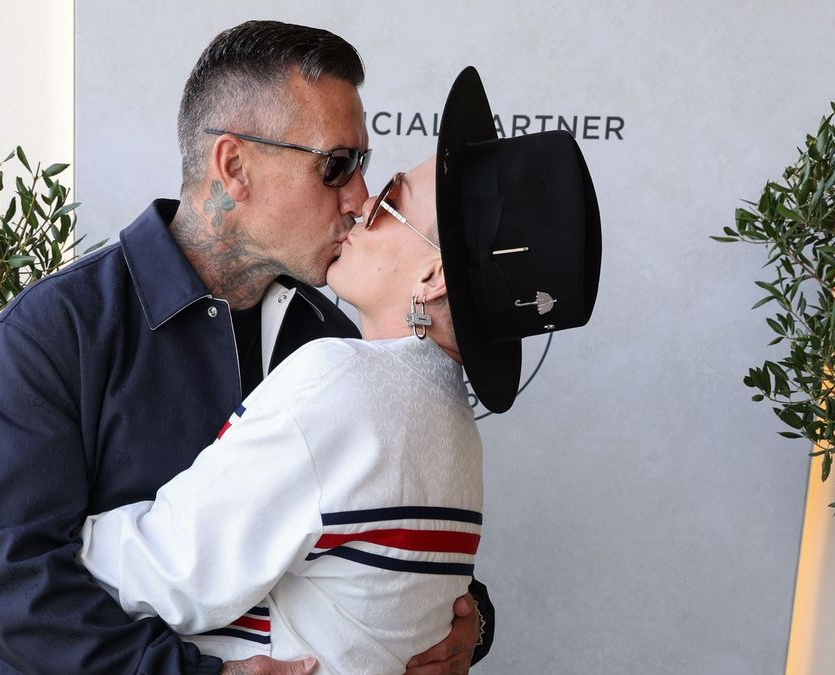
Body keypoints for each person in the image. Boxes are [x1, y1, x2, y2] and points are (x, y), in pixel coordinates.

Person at [0, 22, 492, 674]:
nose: (357, 199)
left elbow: (361, 543)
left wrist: (467, 620)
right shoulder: (50, 334)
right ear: (235, 167)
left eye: (364, 167)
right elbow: (12, 584)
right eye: (336, 166)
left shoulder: (330, 341)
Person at [76, 68, 601, 675]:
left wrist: (55, 544)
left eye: (393, 200)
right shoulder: (454, 431)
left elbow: (168, 573)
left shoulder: (342, 384)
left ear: (434, 278)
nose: (362, 203)